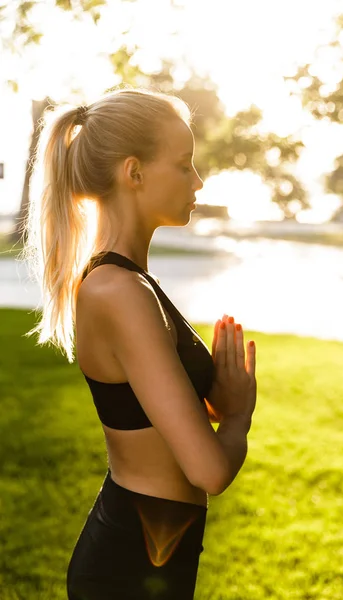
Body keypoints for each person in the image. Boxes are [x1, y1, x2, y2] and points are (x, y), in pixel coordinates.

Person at [22, 87, 257, 599]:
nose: (198, 180)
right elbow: (210, 470)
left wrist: (217, 394)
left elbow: (166, 419)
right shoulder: (119, 291)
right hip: (128, 567)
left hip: (153, 551)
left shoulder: (131, 283)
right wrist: (238, 416)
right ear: (134, 173)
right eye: (184, 164)